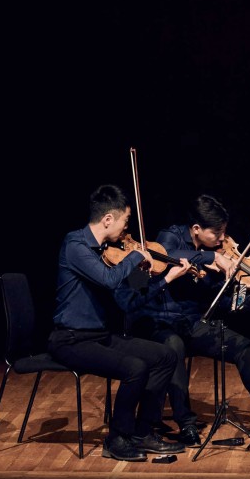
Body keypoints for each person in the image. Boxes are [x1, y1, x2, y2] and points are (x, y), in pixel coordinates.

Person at [115, 193, 250, 444]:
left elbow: (221, 300)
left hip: (192, 324)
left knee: (244, 347)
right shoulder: (169, 238)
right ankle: (186, 424)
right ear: (196, 229)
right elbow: (167, 256)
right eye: (217, 234)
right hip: (158, 325)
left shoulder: (210, 252)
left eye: (223, 233)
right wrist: (213, 257)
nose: (222, 240)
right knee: (173, 346)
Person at [47, 183, 189, 462]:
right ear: (108, 219)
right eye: (126, 220)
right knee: (135, 368)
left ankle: (142, 432)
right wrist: (136, 255)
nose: (127, 229)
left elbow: (127, 301)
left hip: (99, 336)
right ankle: (116, 439)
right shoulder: (75, 245)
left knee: (164, 356)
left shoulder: (108, 255)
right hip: (70, 339)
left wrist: (161, 279)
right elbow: (109, 279)